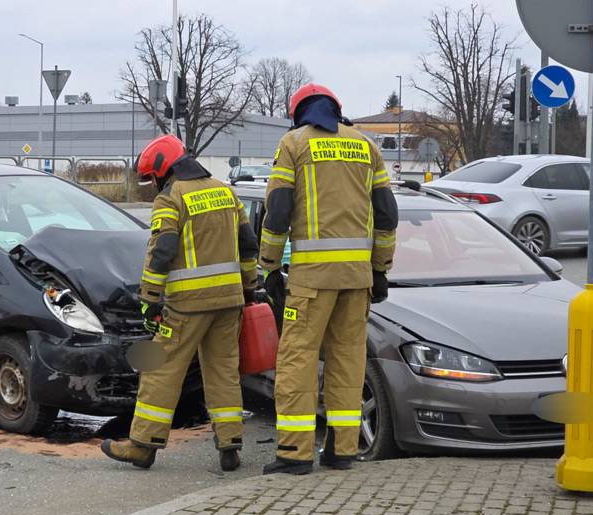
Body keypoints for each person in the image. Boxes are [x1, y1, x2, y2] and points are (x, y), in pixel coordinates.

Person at [259, 84, 398, 475]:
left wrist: (268, 265)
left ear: (299, 111)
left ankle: (295, 452)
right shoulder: (366, 146)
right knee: (349, 361)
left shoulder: (294, 144)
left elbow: (278, 210)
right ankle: (341, 451)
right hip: (357, 279)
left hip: (312, 280)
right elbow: (386, 212)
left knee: (297, 361)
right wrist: (380, 268)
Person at [102, 135, 259, 471]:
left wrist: (150, 300)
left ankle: (142, 446)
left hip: (187, 306)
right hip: (229, 302)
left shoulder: (171, 198)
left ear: (163, 170)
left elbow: (162, 252)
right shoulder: (226, 191)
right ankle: (230, 445)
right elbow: (248, 245)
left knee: (158, 369)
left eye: (153, 178)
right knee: (223, 372)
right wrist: (249, 287)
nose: (154, 185)